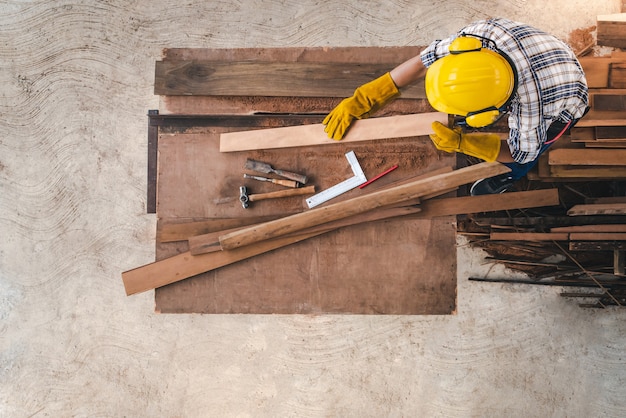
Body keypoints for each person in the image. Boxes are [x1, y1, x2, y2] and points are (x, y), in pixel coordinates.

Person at [322, 18, 589, 195]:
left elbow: (521, 152)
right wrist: (364, 98)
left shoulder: (534, 109)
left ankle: (509, 178)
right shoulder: (478, 39)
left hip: (567, 91)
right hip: (543, 50)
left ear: (489, 113)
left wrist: (465, 144)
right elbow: (420, 62)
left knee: (528, 156)